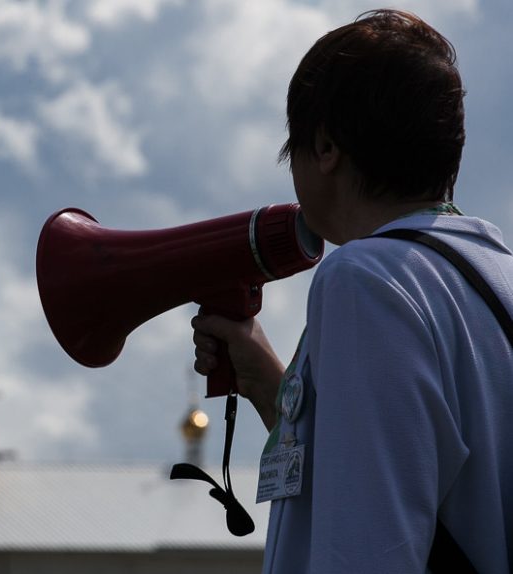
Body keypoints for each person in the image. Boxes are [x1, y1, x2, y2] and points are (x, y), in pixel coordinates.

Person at [192, 9, 512, 573]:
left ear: (324, 146)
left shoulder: (364, 280)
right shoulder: (491, 273)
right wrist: (273, 386)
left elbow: (370, 547)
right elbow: (405, 471)